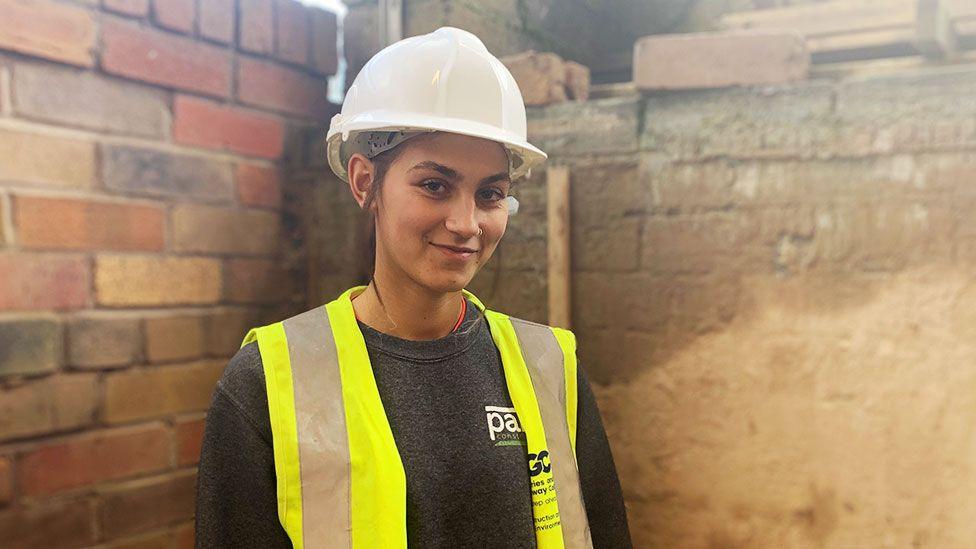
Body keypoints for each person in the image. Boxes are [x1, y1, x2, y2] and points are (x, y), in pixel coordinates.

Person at [194, 26, 632, 549]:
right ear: (364, 182)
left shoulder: (551, 368)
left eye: (490, 193)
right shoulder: (269, 380)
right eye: (434, 185)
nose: (467, 222)